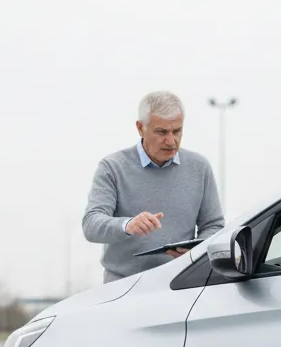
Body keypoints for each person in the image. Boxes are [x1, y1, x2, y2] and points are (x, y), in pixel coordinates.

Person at [83, 90, 225, 283]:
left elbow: (214, 225)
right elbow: (91, 224)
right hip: (122, 289)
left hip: (180, 285)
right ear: (140, 128)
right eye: (161, 132)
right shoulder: (112, 167)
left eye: (177, 131)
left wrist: (195, 250)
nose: (171, 141)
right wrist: (128, 225)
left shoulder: (199, 167)